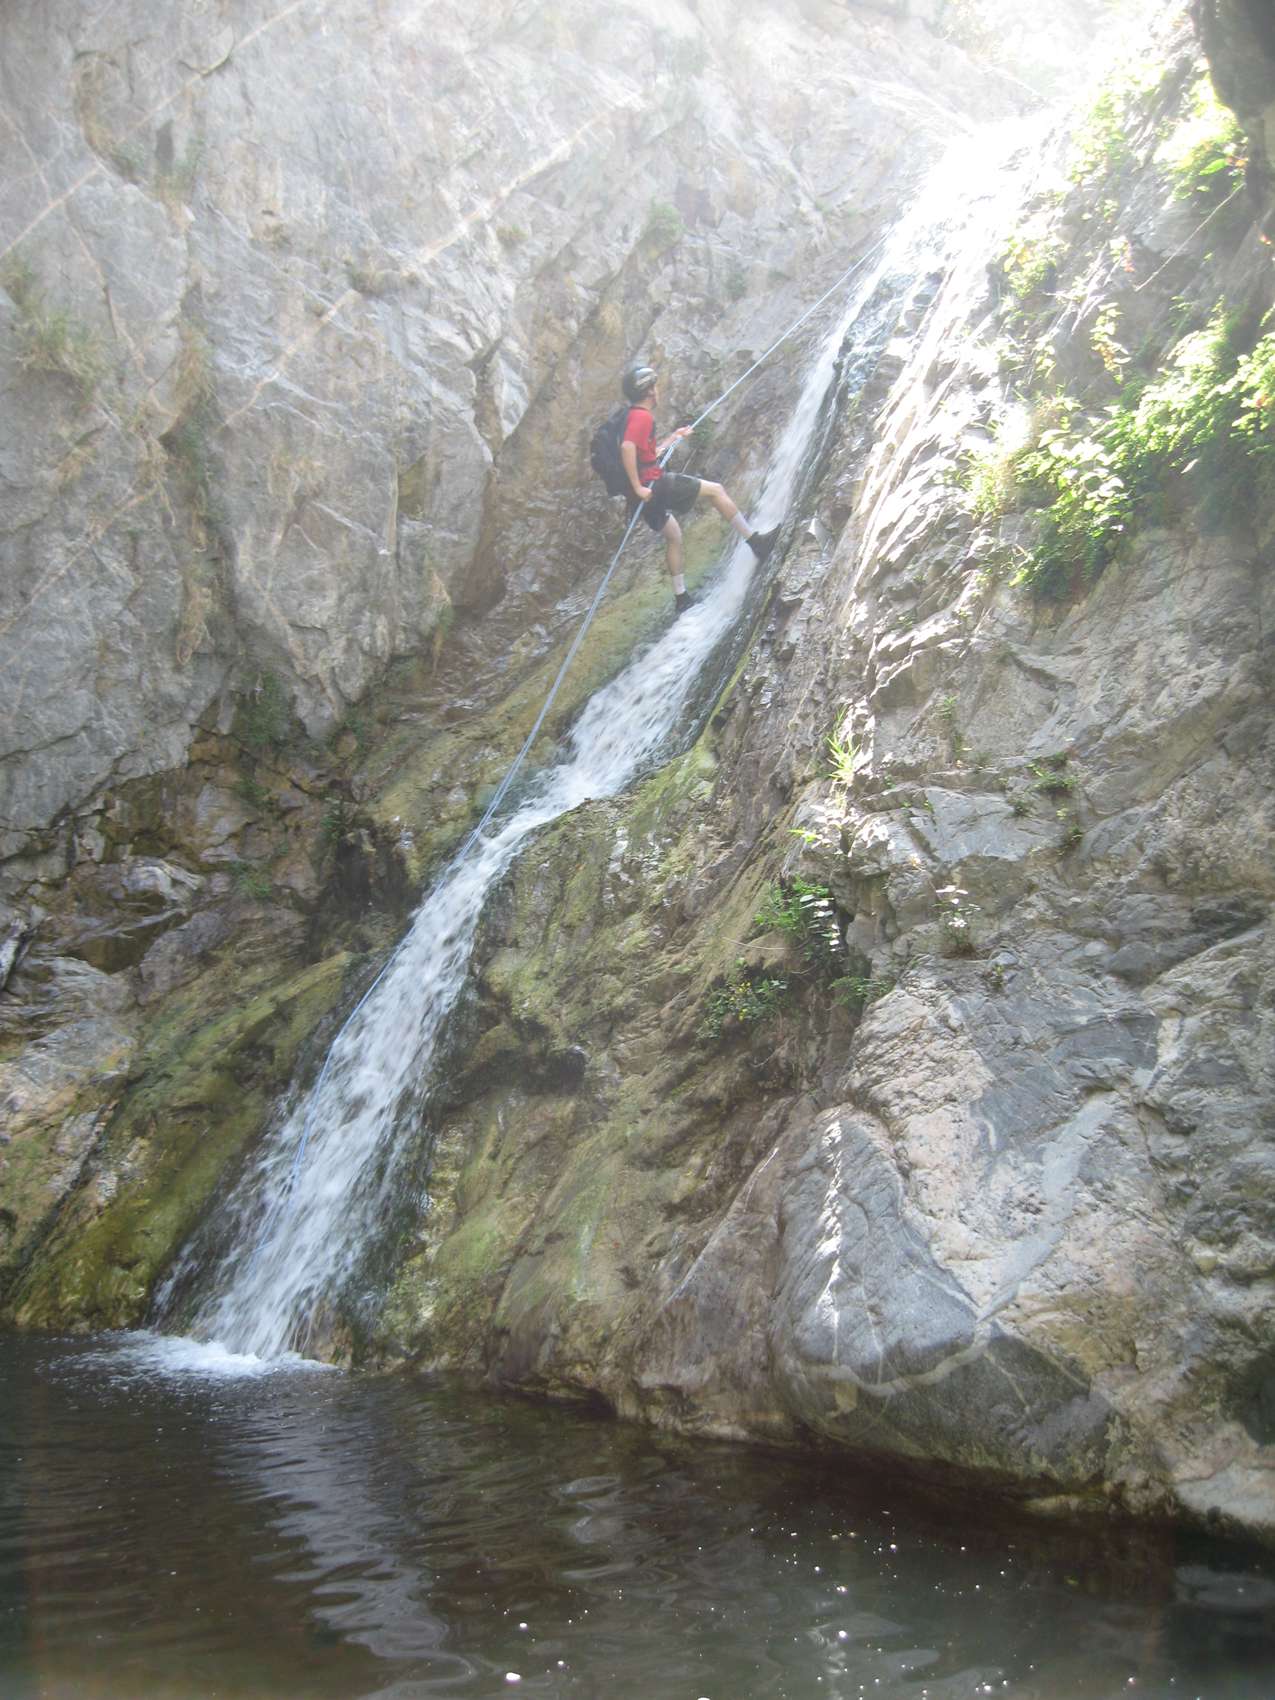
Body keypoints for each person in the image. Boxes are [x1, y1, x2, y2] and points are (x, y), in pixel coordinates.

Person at [618, 363, 780, 613]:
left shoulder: (631, 417)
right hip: (655, 485)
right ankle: (755, 541)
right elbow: (627, 448)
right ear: (648, 390)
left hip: (643, 496)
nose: (658, 390)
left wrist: (674, 437)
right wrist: (639, 486)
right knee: (716, 490)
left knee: (674, 535)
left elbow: (646, 453)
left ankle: (681, 598)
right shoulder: (642, 417)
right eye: (655, 386)